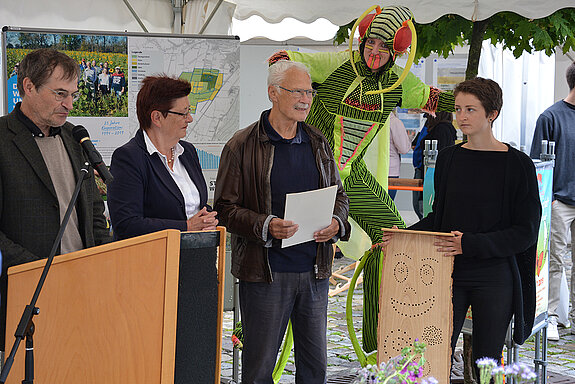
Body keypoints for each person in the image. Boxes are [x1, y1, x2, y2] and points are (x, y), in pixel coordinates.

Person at [267, 6, 455, 352]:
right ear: (362, 40)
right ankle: (252, 336)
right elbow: (285, 58)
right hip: (311, 177)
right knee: (286, 248)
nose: (374, 52)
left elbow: (437, 98)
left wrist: (479, 100)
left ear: (395, 52)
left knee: (394, 238)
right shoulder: (337, 64)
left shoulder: (401, 83)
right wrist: (285, 91)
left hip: (351, 178)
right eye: (371, 43)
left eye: (384, 47)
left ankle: (377, 339)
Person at [382, 77, 541, 374]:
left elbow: (526, 232)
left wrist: (469, 243)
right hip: (446, 272)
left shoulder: (518, 164)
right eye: (458, 109)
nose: (462, 117)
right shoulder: (448, 158)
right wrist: (402, 236)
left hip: (496, 277)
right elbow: (438, 219)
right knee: (433, 356)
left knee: (487, 364)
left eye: (471, 109)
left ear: (492, 114)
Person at [214, 61, 351, 384]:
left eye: (309, 92)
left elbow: (340, 197)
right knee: (259, 370)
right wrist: (266, 225)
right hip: (264, 276)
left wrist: (336, 222)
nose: (306, 99)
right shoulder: (241, 145)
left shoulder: (318, 142)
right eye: (298, 91)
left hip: (315, 273)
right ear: (273, 93)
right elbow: (224, 209)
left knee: (315, 368)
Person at [0, 48, 112, 350]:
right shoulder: (1, 139)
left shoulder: (74, 138)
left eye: (73, 94)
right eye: (60, 93)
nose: (69, 104)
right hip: (29, 290)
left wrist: (106, 262)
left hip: (83, 286)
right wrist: (38, 269)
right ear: (28, 87)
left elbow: (93, 211)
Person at [107, 75, 217, 240]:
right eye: (183, 113)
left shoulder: (187, 151)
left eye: (189, 111)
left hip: (196, 257)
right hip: (151, 261)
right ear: (157, 118)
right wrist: (186, 227)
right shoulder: (129, 158)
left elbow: (192, 206)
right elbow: (127, 224)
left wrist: (207, 218)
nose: (190, 118)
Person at [530, 61, 575, 341]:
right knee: (554, 261)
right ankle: (551, 318)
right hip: (560, 201)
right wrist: (550, 202)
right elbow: (537, 166)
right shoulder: (550, 117)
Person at [411, 111, 457, 219]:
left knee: (422, 205)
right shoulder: (437, 128)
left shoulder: (440, 129)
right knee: (420, 205)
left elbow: (433, 150)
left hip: (428, 172)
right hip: (426, 170)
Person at [388, 109, 410, 200]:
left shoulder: (369, 120)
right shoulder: (394, 122)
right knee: (387, 206)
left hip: (371, 170)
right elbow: (404, 148)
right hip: (390, 172)